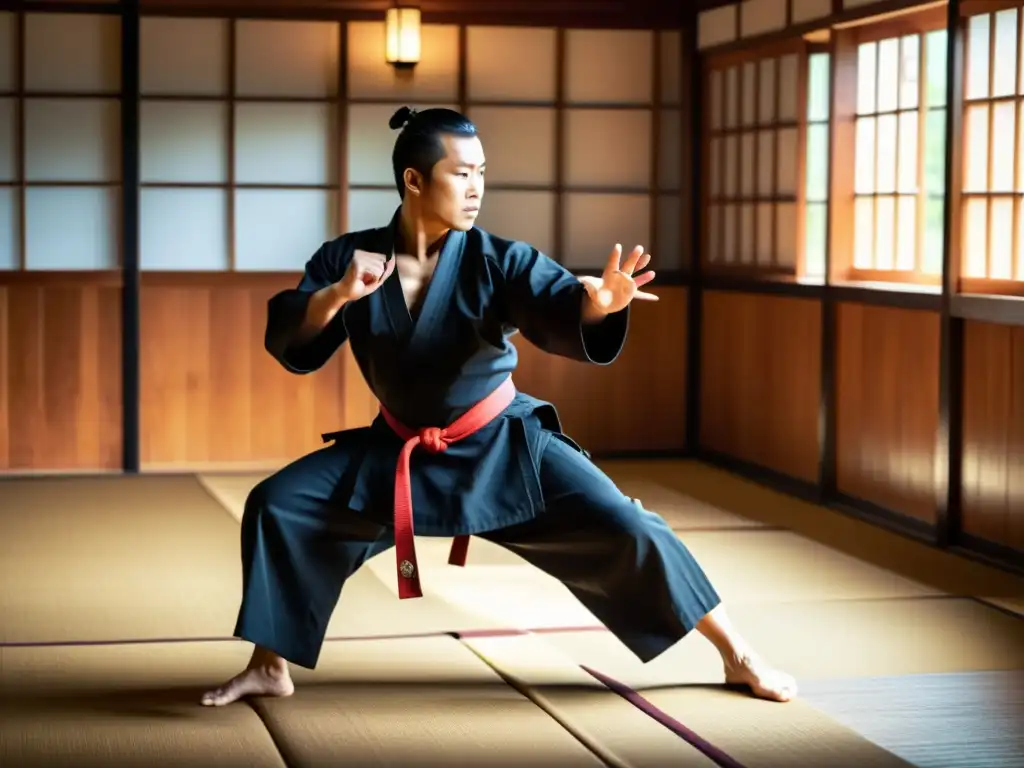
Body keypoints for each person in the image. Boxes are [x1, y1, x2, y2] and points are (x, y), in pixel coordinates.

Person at [200, 106, 796, 707]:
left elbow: (561, 303)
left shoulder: (496, 258)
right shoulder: (350, 259)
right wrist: (336, 295)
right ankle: (270, 664)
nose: (477, 187)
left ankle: (737, 653)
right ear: (414, 179)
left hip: (501, 446)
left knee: (625, 523)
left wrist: (602, 306)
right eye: (461, 173)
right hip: (399, 449)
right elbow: (293, 338)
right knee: (278, 505)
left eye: (482, 171)